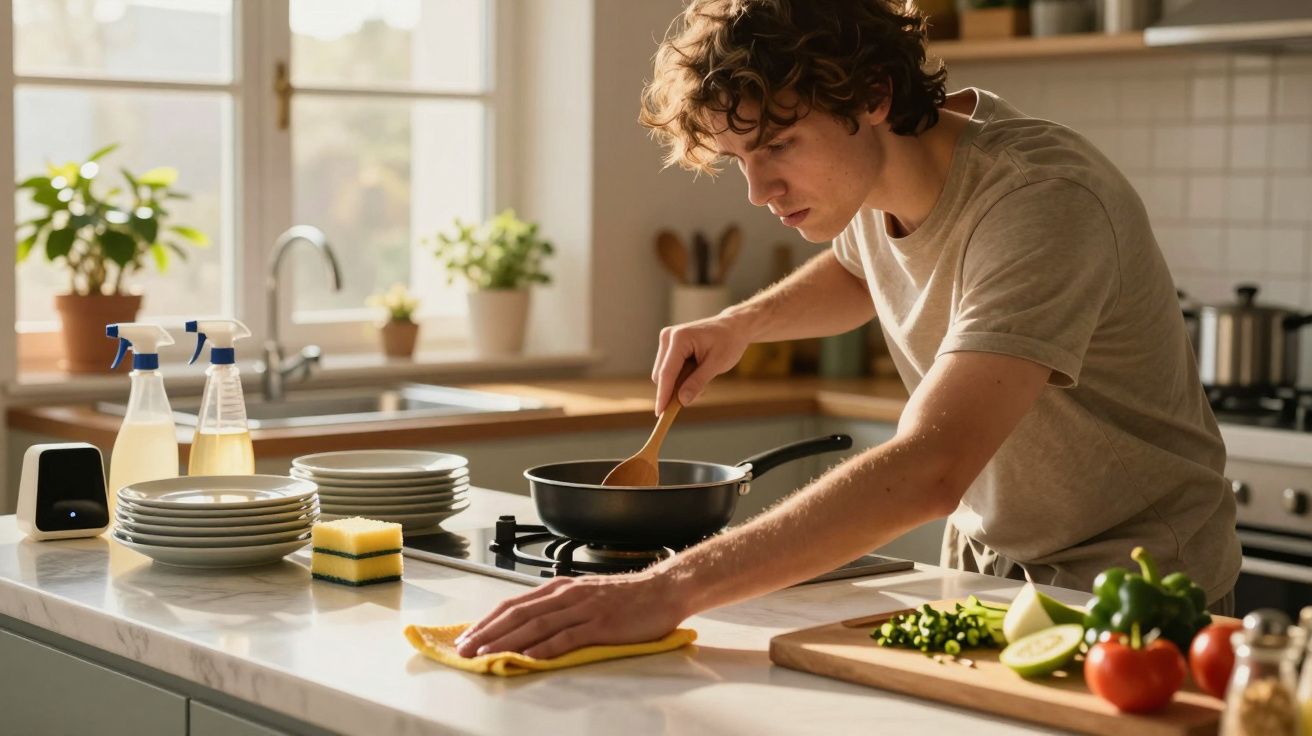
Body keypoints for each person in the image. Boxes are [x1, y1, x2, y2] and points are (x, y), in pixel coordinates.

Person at [454, 0, 1240, 660]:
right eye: (737, 159)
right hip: (993, 573)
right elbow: (860, 271)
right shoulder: (875, 183)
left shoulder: (1041, 201)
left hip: (1138, 587)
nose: (759, 190)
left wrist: (667, 589)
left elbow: (933, 466)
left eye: (778, 147)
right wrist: (739, 324)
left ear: (871, 95)